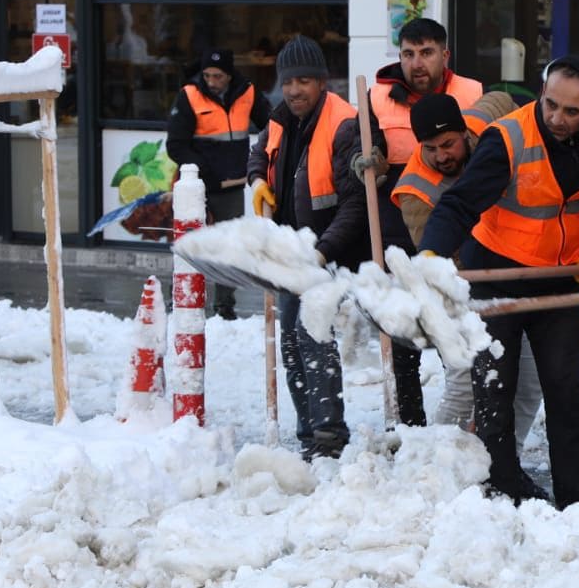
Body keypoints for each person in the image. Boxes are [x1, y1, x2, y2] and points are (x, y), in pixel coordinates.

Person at [420, 56, 579, 509]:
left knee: (564, 388)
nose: (556, 117)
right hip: (497, 276)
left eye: (571, 111)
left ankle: (576, 502)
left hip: (557, 280)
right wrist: (431, 255)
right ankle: (502, 484)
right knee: (495, 388)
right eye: (550, 104)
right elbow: (459, 204)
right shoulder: (508, 139)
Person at [246, 35, 424, 459]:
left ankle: (328, 437)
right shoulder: (280, 118)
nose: (295, 90)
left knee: (314, 337)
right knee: (291, 343)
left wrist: (322, 253)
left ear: (322, 82)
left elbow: (356, 206)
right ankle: (310, 433)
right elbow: (258, 153)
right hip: (296, 247)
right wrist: (257, 179)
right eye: (289, 82)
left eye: (305, 81)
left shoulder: (345, 124)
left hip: (341, 250)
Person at [390, 91, 542, 444]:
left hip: (522, 271)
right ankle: (439, 461)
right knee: (464, 384)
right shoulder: (416, 192)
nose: (442, 156)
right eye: (430, 148)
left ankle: (506, 459)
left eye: (448, 144)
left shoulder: (488, 118)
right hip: (463, 288)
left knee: (529, 385)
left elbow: (511, 102)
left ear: (465, 133)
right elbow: (448, 264)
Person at [167, 47, 270, 319]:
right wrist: (204, 171)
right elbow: (176, 146)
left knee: (229, 248)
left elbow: (271, 126)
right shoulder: (189, 95)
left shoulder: (246, 93)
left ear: (229, 75)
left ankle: (225, 307)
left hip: (232, 186)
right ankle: (179, 299)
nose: (212, 82)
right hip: (196, 188)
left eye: (218, 76)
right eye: (207, 75)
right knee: (190, 245)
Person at [368, 18, 484, 169]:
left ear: (445, 56)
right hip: (402, 191)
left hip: (462, 190)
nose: (417, 65)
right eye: (409, 54)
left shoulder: (475, 94)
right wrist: (358, 161)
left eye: (426, 53)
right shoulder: (376, 98)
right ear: (400, 58)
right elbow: (358, 148)